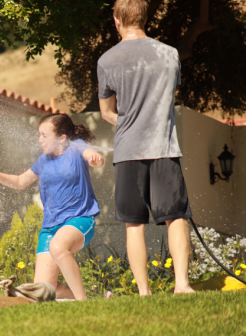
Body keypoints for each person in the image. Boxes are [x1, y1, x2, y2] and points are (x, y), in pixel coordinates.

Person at [97, 0, 194, 295]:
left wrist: (131, 127)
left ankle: (144, 292)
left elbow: (106, 112)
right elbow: (164, 100)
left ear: (117, 20)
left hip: (128, 153)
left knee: (134, 224)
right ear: (146, 18)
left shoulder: (107, 60)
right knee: (176, 217)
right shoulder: (169, 54)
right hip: (164, 148)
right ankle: (182, 285)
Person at [0, 114, 104, 300]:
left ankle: (83, 302)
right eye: (39, 135)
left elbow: (92, 155)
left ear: (62, 138)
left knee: (58, 247)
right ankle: (75, 297)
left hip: (79, 219)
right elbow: (20, 182)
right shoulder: (43, 160)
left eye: (44, 135)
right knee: (44, 289)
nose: (39, 140)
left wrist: (96, 157)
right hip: (50, 227)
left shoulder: (76, 147)